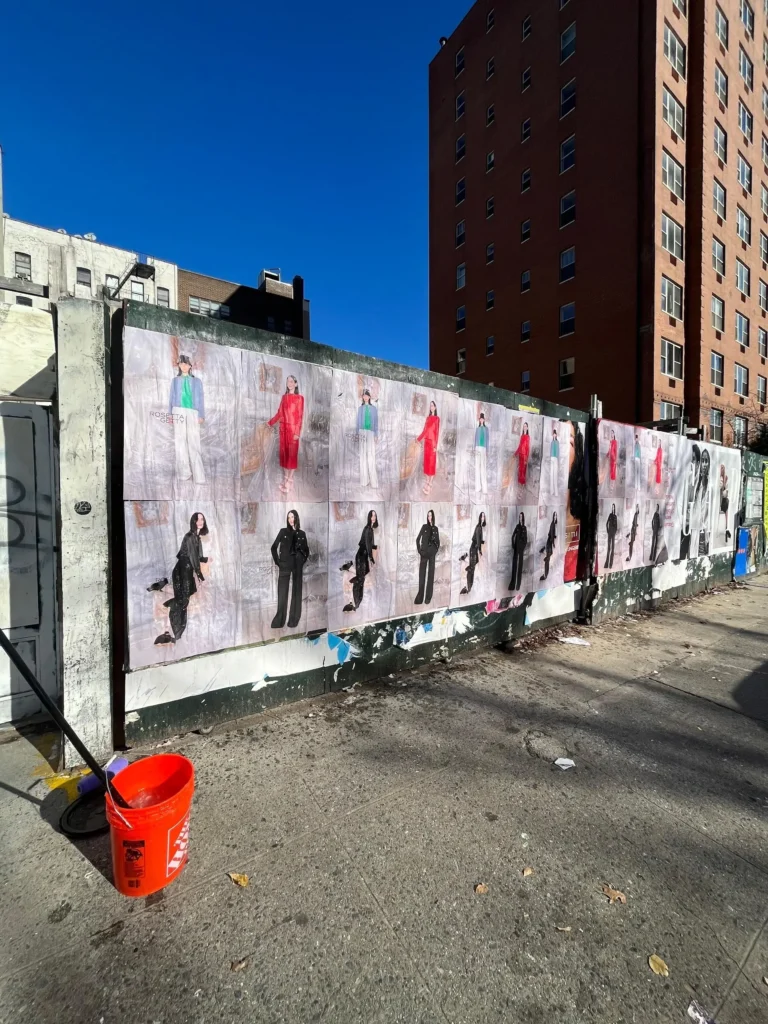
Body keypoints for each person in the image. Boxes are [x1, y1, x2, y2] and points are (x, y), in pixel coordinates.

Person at [155, 512, 209, 645]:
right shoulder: (189, 536)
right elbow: (191, 558)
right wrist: (200, 575)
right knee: (182, 602)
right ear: (193, 521)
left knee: (184, 600)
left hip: (187, 571)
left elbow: (198, 557)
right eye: (198, 519)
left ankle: (174, 630)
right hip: (182, 572)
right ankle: (173, 633)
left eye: (202, 519)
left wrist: (207, 559)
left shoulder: (197, 537)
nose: (200, 522)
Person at [168, 355, 206, 485]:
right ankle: (184, 473)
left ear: (190, 366)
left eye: (186, 364)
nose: (184, 366)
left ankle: (199, 475)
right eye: (181, 364)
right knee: (180, 442)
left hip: (193, 412)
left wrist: (201, 414)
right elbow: (171, 398)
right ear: (179, 365)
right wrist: (170, 415)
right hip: (178, 411)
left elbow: (201, 398)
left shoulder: (197, 382)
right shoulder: (175, 381)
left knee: (194, 442)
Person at [270, 509, 309, 629]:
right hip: (285, 564)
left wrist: (301, 560)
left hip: (297, 564)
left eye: (292, 517)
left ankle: (293, 619)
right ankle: (279, 620)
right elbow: (273, 547)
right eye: (289, 518)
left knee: (297, 592)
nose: (291, 520)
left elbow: (307, 550)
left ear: (296, 518)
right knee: (282, 592)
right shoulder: (283, 532)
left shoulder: (302, 534)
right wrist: (278, 562)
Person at [268, 375, 304, 495]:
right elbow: (279, 413)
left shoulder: (300, 398)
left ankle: (290, 480)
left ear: (295, 384)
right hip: (283, 430)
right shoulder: (284, 397)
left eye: (291, 381)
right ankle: (286, 479)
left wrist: (297, 433)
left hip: (293, 431)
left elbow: (299, 416)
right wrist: (270, 423)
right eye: (287, 381)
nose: (289, 383)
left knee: (292, 457)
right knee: (284, 456)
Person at [343, 510, 378, 613]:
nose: (373, 517)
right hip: (361, 556)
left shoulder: (371, 529)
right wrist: (371, 558)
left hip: (363, 555)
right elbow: (367, 545)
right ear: (369, 517)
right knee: (360, 581)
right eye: (372, 516)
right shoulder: (368, 529)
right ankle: (355, 603)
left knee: (362, 576)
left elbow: (370, 545)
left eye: (375, 516)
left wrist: (376, 547)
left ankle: (349, 568)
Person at [414, 509, 440, 604]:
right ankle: (420, 598)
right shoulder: (424, 527)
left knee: (431, 575)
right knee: (422, 575)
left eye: (431, 515)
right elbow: (417, 539)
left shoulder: (436, 529)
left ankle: (428, 597)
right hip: (424, 554)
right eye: (428, 516)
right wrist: (420, 551)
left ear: (433, 516)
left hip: (432, 554)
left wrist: (435, 550)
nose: (429, 517)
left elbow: (438, 542)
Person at [416, 402, 440, 496]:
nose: (431, 407)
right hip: (426, 443)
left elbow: (437, 433)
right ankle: (427, 481)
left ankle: (430, 483)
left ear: (435, 407)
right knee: (426, 464)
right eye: (430, 405)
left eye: (433, 405)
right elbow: (424, 431)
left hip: (433, 444)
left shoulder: (437, 419)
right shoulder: (427, 418)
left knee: (431, 464)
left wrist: (435, 446)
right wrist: (418, 439)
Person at [357, 390, 379, 489]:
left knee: (371, 456)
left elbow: (376, 423)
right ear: (363, 397)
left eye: (367, 396)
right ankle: (364, 481)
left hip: (370, 433)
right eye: (364, 396)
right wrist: (357, 433)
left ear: (369, 397)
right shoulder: (360, 409)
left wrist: (376, 435)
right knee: (363, 456)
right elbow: (357, 422)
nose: (365, 397)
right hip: (362, 432)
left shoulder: (374, 409)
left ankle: (374, 483)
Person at [461, 512, 486, 594]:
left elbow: (478, 539)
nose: (483, 517)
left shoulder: (479, 527)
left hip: (474, 548)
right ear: (480, 517)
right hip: (474, 549)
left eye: (484, 516)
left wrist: (483, 542)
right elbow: (477, 540)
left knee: (472, 568)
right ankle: (468, 588)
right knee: (472, 569)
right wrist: (480, 550)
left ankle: (469, 587)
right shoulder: (479, 527)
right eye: (482, 516)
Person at [508, 512, 528, 591]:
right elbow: (513, 536)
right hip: (516, 548)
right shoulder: (517, 526)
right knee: (514, 566)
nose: (520, 518)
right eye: (519, 517)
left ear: (523, 518)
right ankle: (512, 585)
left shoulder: (524, 528)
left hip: (521, 549)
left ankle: (518, 585)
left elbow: (525, 540)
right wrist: (513, 545)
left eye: (521, 517)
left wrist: (522, 547)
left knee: (520, 567)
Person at [540, 511, 558, 581]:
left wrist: (553, 542)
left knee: (547, 560)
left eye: (556, 516)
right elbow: (550, 534)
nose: (555, 517)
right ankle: (545, 575)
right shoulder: (552, 524)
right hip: (549, 543)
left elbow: (554, 536)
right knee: (547, 561)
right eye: (554, 516)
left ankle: (545, 575)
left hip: (552, 543)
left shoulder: (555, 525)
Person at [474, 413, 488, 496]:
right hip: (477, 448)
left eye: (482, 419)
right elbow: (475, 440)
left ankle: (484, 489)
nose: (481, 420)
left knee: (483, 468)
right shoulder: (477, 429)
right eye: (480, 419)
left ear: (484, 420)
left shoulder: (486, 429)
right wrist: (474, 449)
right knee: (477, 467)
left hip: (483, 448)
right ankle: (477, 487)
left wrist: (487, 450)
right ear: (479, 420)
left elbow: (487, 440)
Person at [515, 422, 531, 489]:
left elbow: (528, 448)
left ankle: (522, 484)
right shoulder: (521, 436)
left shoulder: (528, 437)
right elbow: (519, 446)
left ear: (527, 428)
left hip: (524, 456)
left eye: (525, 426)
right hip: (520, 455)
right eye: (524, 426)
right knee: (520, 470)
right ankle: (519, 483)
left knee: (523, 470)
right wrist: (516, 453)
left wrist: (526, 459)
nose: (524, 427)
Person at [719, 464, 731, 544]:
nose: (722, 470)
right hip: (720, 499)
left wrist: (725, 488)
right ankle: (725, 529)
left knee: (726, 511)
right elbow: (721, 488)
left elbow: (726, 491)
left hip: (724, 499)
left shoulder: (725, 478)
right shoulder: (719, 478)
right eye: (721, 468)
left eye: (723, 468)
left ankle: (727, 528)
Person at [605, 504, 618, 569]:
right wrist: (607, 531)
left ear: (614, 508)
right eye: (612, 507)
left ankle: (610, 564)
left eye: (613, 508)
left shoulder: (615, 516)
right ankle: (606, 564)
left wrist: (615, 532)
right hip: (609, 533)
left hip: (613, 533)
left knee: (613, 548)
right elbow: (606, 523)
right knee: (609, 548)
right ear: (611, 508)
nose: (613, 509)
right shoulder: (610, 515)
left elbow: (616, 526)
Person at [549, 426, 560, 497]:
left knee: (555, 476)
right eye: (553, 434)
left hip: (555, 459)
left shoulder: (557, 442)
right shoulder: (552, 442)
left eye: (555, 434)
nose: (554, 435)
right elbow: (551, 451)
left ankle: (556, 492)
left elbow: (557, 451)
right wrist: (551, 457)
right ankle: (551, 491)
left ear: (556, 435)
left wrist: (556, 458)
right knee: (551, 475)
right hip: (551, 459)